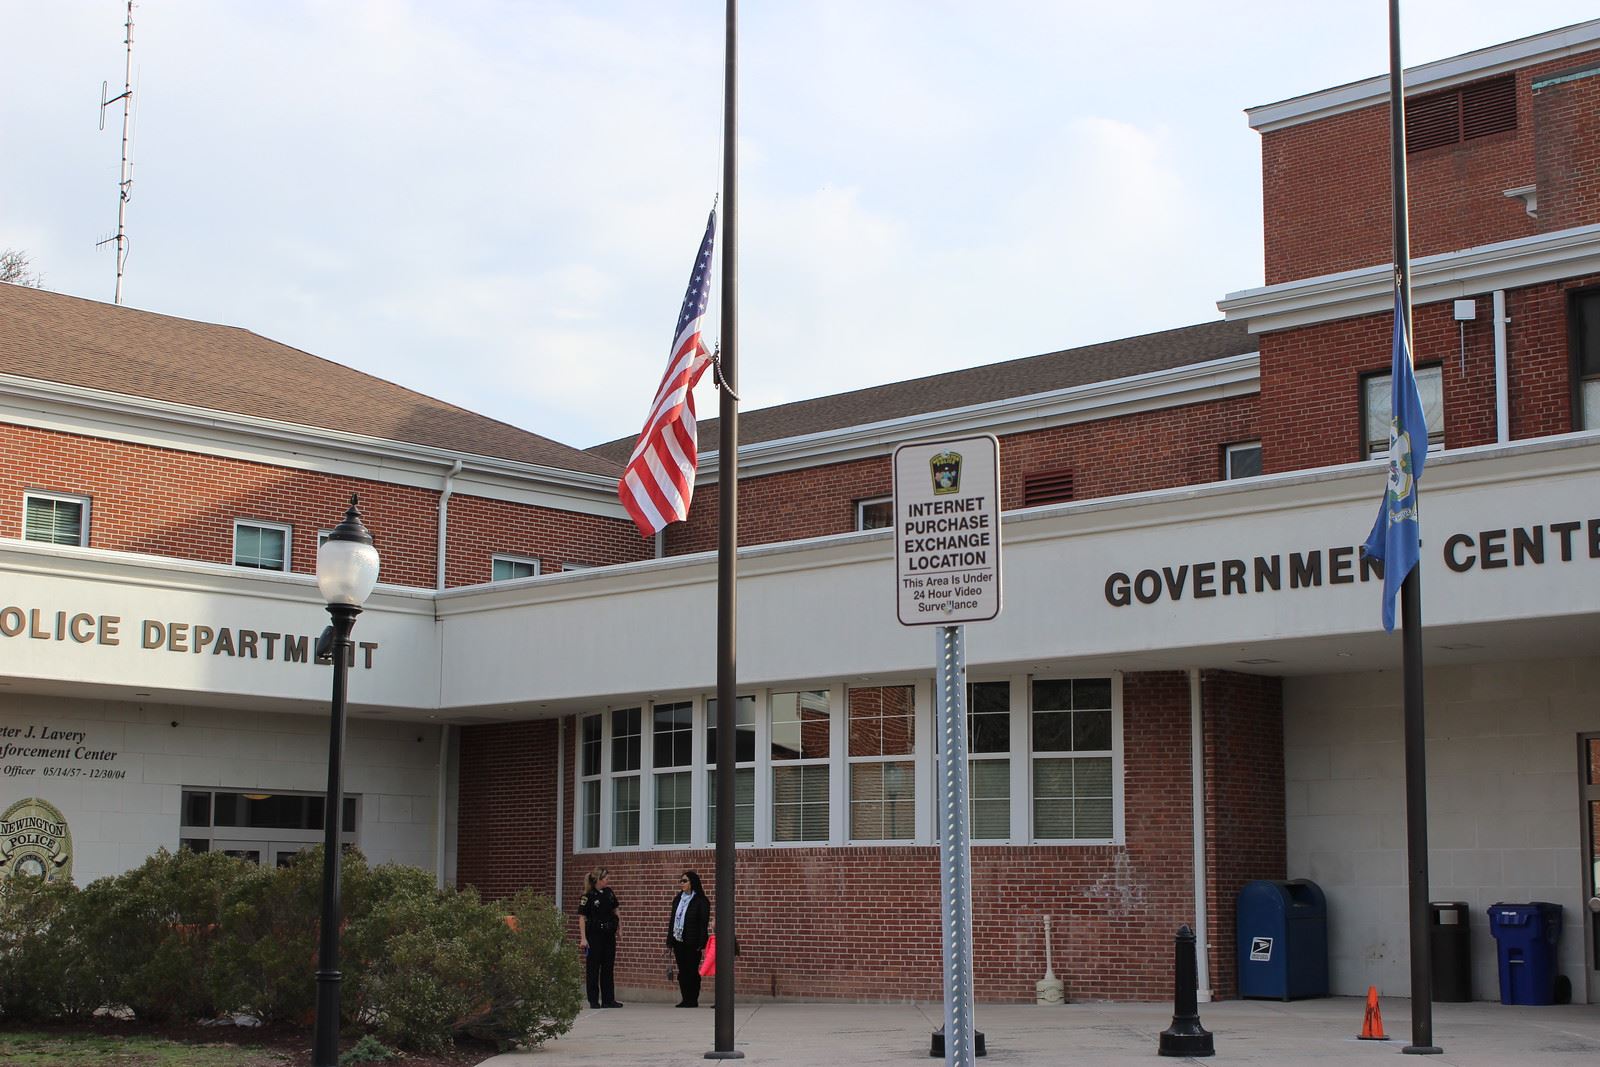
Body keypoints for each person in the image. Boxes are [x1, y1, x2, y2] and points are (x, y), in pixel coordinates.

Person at [577, 867, 622, 1008]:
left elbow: (616, 910)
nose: (608, 881)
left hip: (608, 934)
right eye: (606, 878)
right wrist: (583, 938)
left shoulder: (609, 893)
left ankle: (609, 1000)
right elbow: (582, 918)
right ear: (599, 879)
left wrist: (620, 928)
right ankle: (594, 1000)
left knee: (608, 967)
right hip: (594, 936)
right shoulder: (588, 896)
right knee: (593, 968)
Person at [666, 869, 710, 1007]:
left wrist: (702, 941)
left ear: (692, 883)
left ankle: (692, 999)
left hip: (692, 941)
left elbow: (703, 923)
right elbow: (673, 920)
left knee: (692, 971)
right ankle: (685, 998)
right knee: (682, 971)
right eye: (681, 881)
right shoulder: (678, 899)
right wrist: (669, 940)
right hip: (678, 940)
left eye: (685, 881)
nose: (682, 883)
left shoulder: (701, 901)